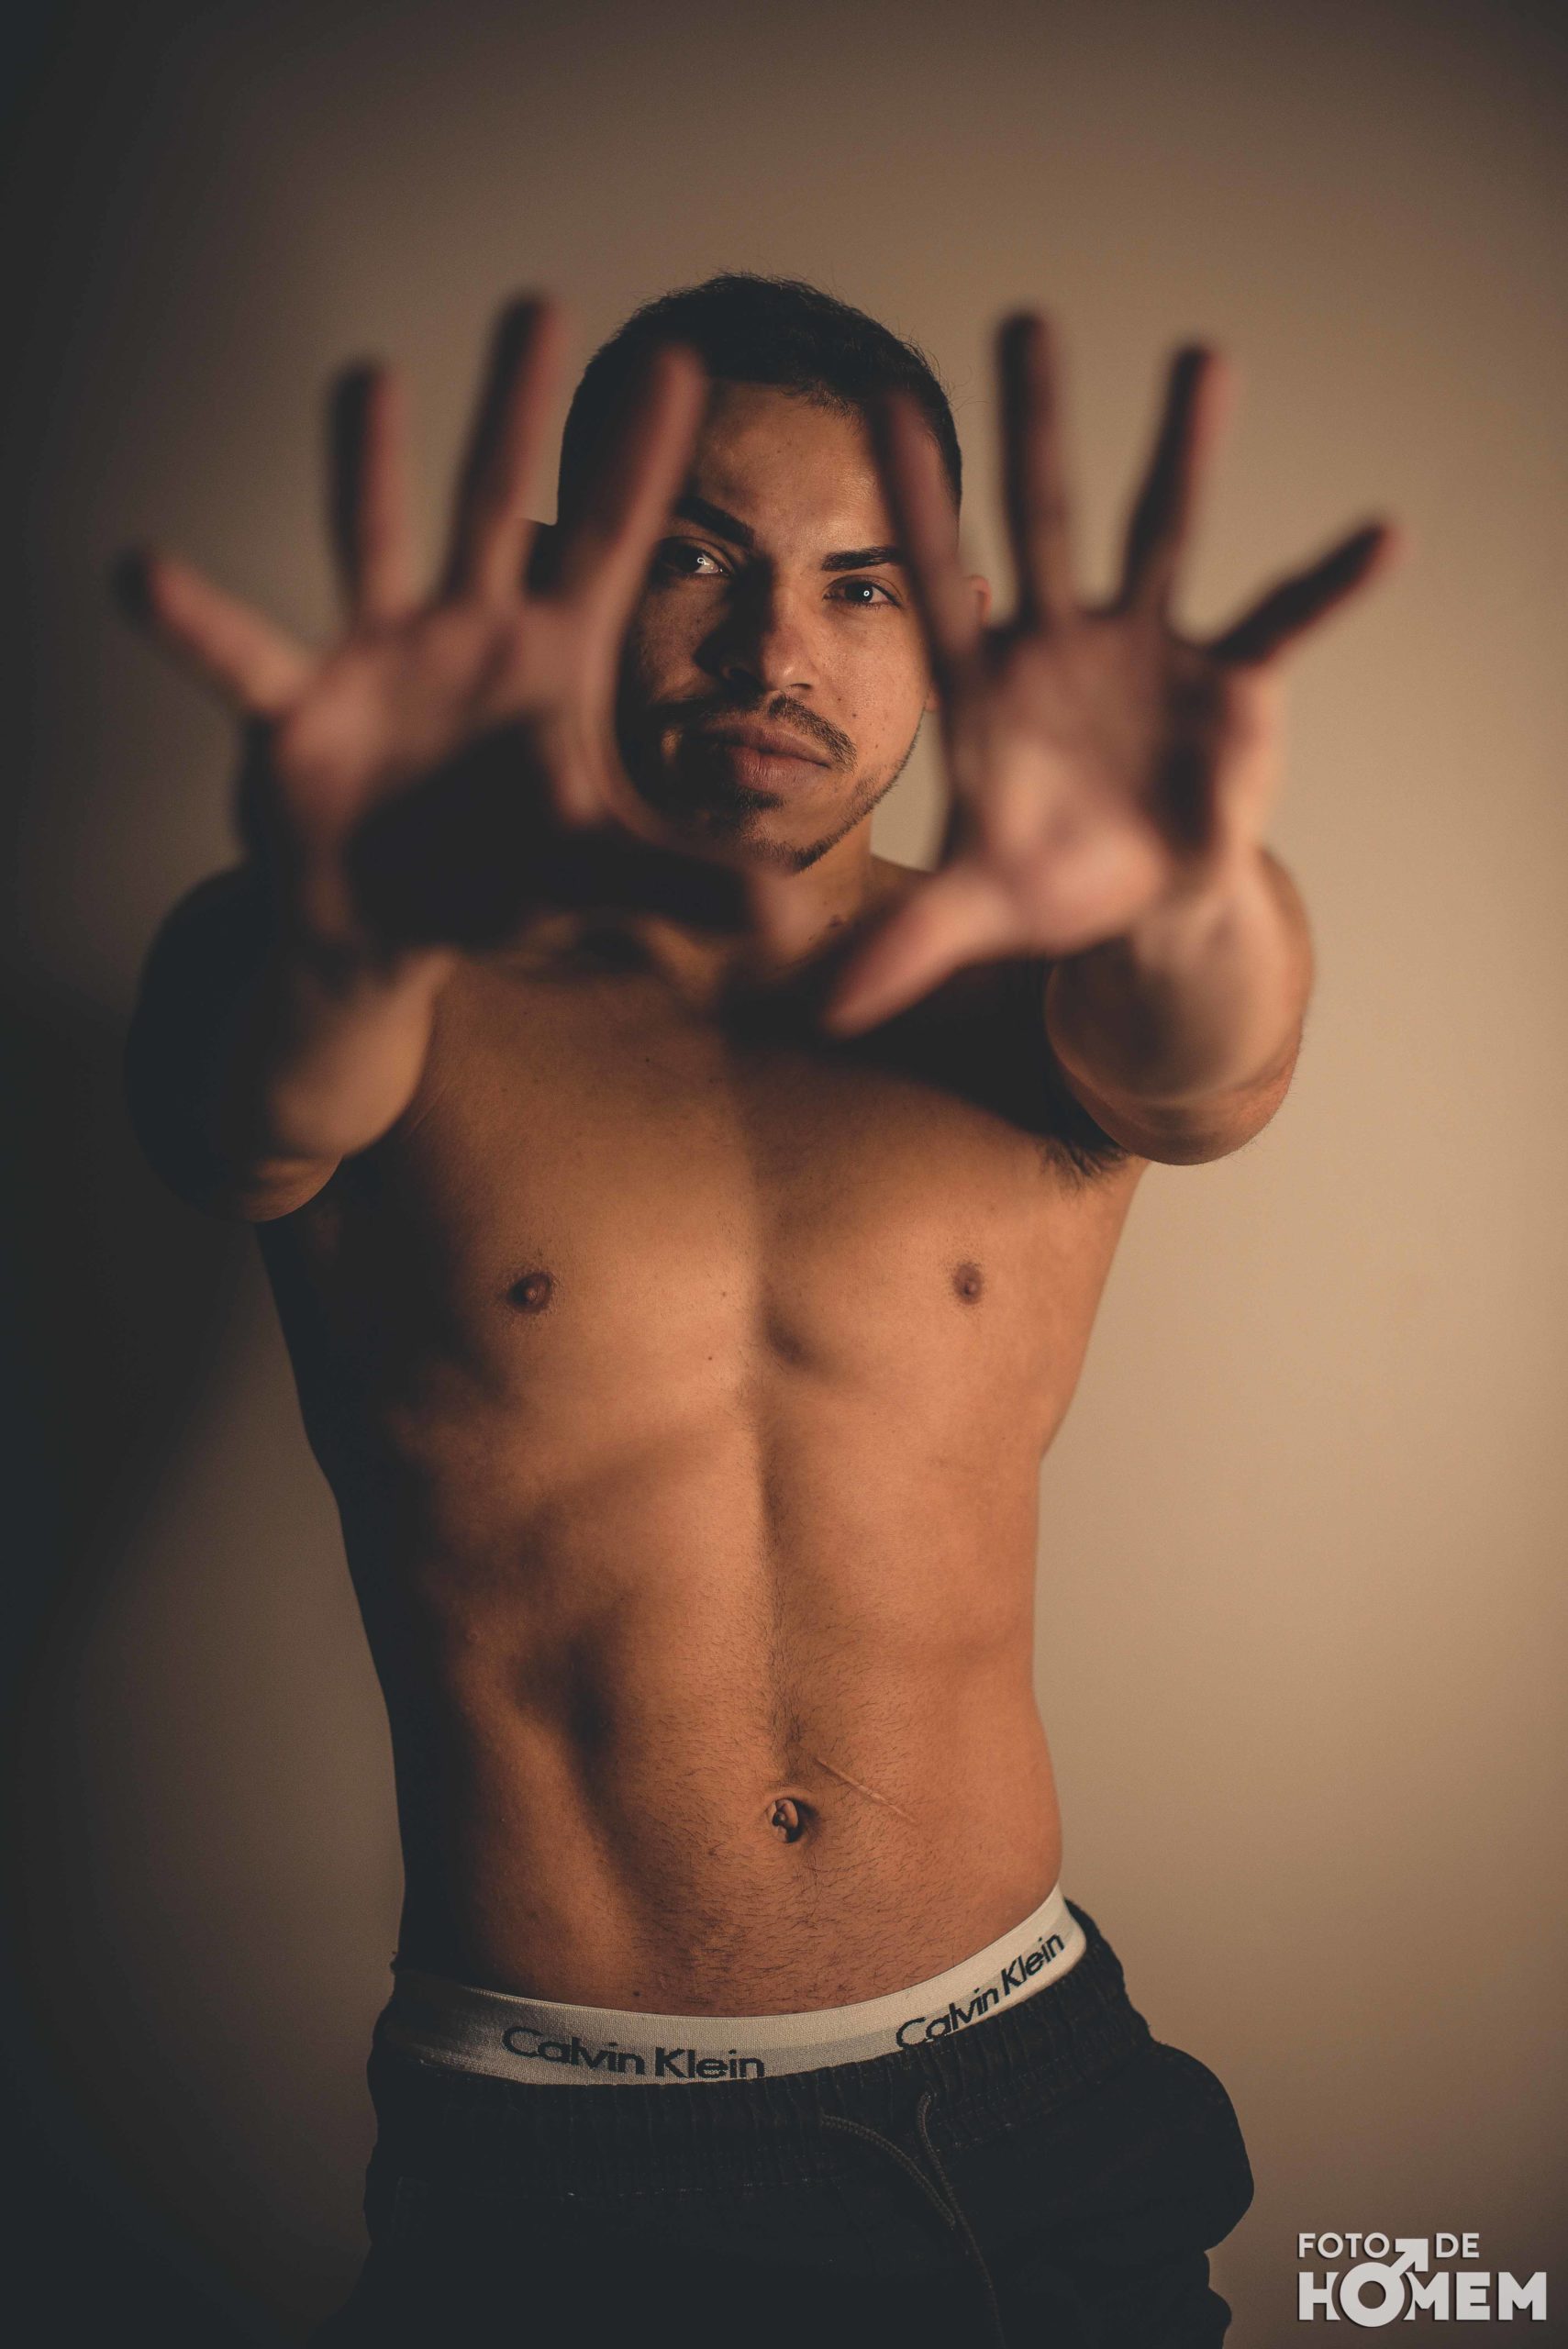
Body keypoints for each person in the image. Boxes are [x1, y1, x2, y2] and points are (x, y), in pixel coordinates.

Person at [120, 273, 1396, 2346]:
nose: (773, 652)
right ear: (561, 582)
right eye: (692, 558)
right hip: (563, 2166)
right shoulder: (354, 971)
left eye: (860, 584)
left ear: (952, 626)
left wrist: (1184, 867)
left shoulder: (1048, 982)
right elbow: (242, 1117)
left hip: (1037, 2096)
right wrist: (346, 933)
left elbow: (1208, 1066)